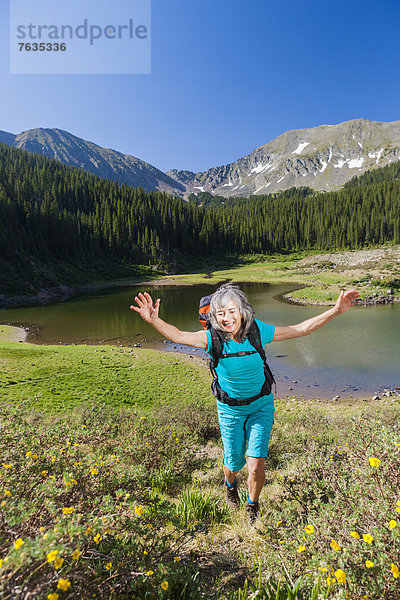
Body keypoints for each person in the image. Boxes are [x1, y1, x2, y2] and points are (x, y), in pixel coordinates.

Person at [130, 283, 360, 523]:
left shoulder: (257, 331)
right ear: (214, 318)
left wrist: (336, 310)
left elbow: (301, 329)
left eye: (231, 311)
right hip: (230, 410)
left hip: (261, 406)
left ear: (241, 311)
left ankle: (252, 506)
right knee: (234, 462)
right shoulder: (211, 339)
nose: (227, 318)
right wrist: (154, 320)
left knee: (255, 466)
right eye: (220, 314)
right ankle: (230, 484)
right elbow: (178, 335)